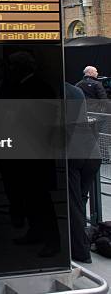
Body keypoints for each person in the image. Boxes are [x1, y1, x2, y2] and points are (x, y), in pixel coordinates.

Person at [66, 82, 101, 263]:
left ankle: (80, 251)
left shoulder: (57, 92)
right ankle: (82, 244)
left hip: (74, 152)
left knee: (74, 205)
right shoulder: (76, 90)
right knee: (80, 201)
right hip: (91, 151)